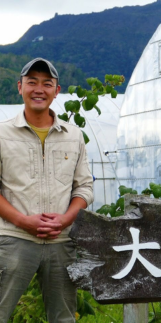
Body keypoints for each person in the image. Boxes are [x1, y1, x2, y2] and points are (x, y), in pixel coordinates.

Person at [0, 57, 93, 322]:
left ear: (56, 91)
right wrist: (22, 220)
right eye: (32, 82)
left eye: (46, 83)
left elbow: (84, 187)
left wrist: (66, 219)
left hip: (61, 241)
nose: (38, 89)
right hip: (14, 239)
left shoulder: (73, 136)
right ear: (20, 87)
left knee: (63, 317)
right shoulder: (2, 134)